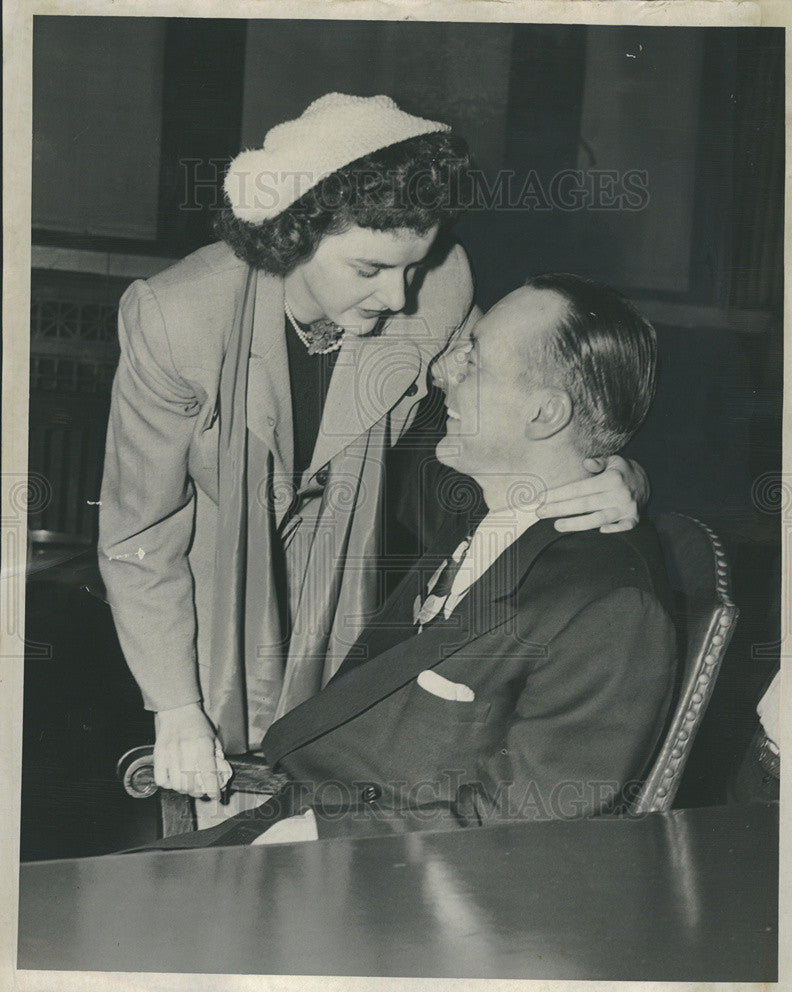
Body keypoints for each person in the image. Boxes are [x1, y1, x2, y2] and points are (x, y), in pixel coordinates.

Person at [99, 93, 646, 820]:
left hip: (347, 619)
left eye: (413, 266)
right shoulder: (177, 318)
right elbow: (141, 534)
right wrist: (176, 709)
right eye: (370, 270)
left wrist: (618, 472)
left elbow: (541, 403)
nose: (398, 295)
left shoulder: (434, 286)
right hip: (202, 617)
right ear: (294, 237)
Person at [131, 273, 677, 850]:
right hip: (303, 827)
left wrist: (315, 836)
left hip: (368, 876)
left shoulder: (611, 608)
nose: (448, 373)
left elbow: (527, 827)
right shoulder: (487, 502)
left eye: (474, 362)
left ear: (545, 415)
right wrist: (628, 471)